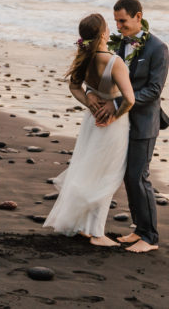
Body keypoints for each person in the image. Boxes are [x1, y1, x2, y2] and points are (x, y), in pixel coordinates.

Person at [43, 13, 135, 246]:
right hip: (112, 125)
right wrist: (113, 115)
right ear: (104, 34)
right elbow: (129, 100)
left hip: (91, 122)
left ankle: (82, 226)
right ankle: (97, 233)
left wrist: (90, 102)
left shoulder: (84, 57)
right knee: (106, 176)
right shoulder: (114, 62)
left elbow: (74, 87)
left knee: (88, 170)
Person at [90, 0, 169, 254]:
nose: (119, 26)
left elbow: (154, 90)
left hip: (144, 123)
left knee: (139, 176)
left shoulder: (158, 48)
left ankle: (150, 237)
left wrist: (118, 103)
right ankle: (139, 229)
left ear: (138, 16)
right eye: (115, 21)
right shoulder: (119, 44)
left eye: (123, 21)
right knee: (128, 177)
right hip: (120, 124)